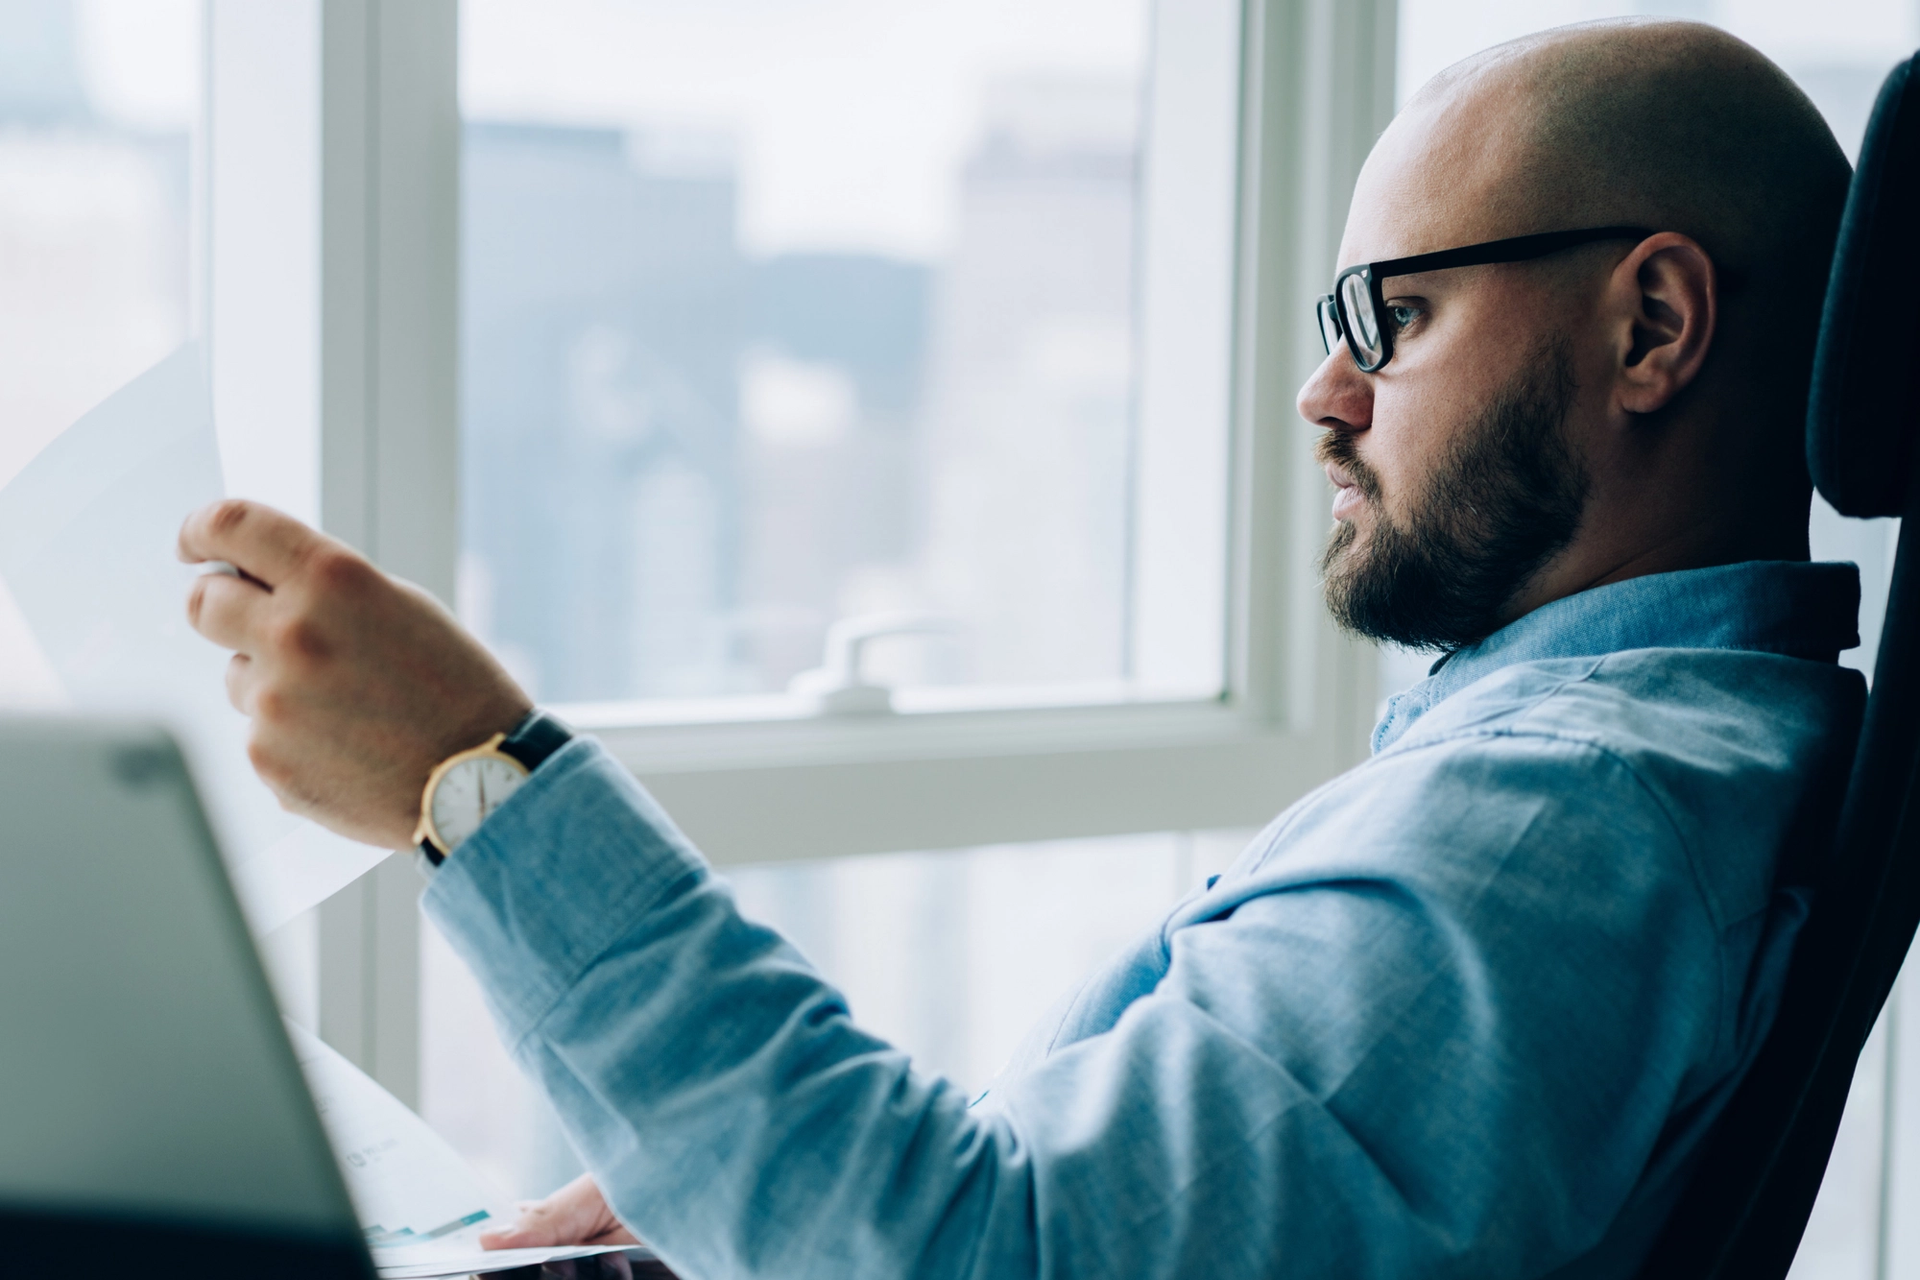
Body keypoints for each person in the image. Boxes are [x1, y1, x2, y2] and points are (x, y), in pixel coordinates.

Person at [180, 18, 1867, 1279]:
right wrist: (759, 1196)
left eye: (1393, 319)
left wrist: (477, 781)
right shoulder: (1634, 769)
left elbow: (1001, 1262)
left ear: (1651, 326)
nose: (1325, 394)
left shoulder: (1555, 825)